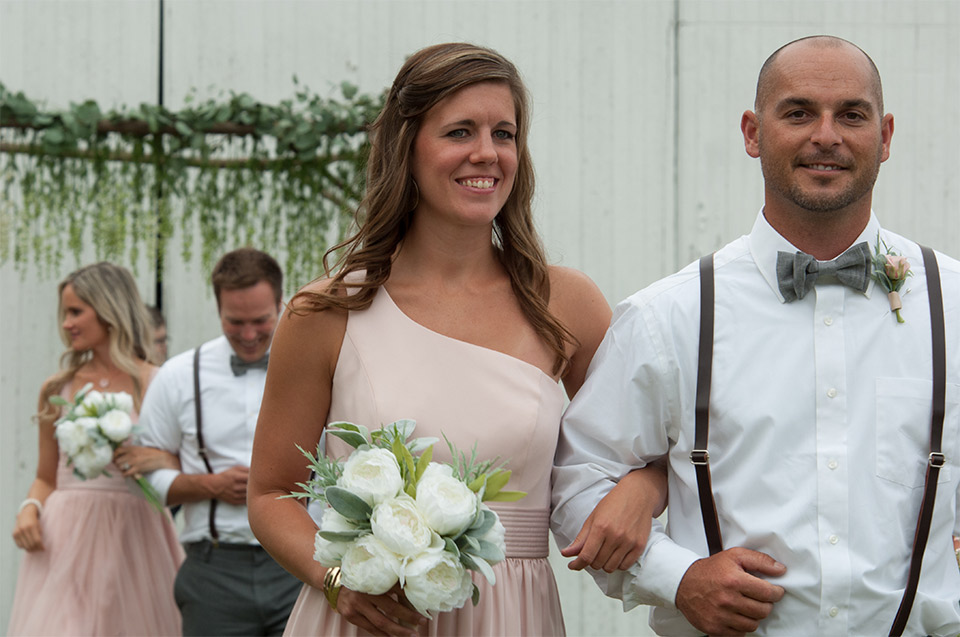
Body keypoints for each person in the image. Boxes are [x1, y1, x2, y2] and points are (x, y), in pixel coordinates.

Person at [247, 42, 665, 637]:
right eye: (460, 131)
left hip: (511, 614)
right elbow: (269, 494)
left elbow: (657, 445)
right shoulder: (327, 310)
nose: (487, 153)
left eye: (505, 133)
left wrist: (643, 489)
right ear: (406, 149)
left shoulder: (564, 303)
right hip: (371, 617)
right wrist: (336, 579)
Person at [551, 35, 960, 635]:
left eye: (852, 114)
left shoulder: (953, 304)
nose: (827, 135)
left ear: (886, 136)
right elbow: (578, 479)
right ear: (752, 132)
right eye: (798, 113)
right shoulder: (671, 315)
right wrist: (676, 577)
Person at [8, 261, 184, 635]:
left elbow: (189, 462)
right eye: (64, 314)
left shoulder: (157, 382)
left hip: (135, 537)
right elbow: (45, 477)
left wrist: (164, 460)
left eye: (75, 312)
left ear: (108, 310)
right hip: (64, 540)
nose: (66, 324)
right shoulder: (57, 389)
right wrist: (29, 509)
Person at [137, 247, 301, 636]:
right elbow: (143, 471)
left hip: (301, 563)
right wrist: (207, 486)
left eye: (261, 320)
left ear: (281, 303)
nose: (248, 335)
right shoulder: (177, 376)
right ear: (218, 309)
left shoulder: (313, 368)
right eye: (234, 322)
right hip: (214, 572)